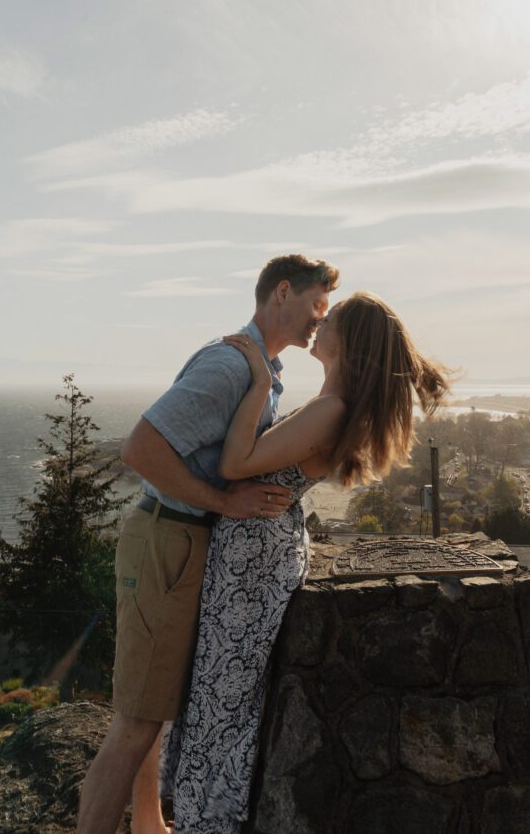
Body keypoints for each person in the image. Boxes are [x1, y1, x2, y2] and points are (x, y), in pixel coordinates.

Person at [161, 291, 451, 834]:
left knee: (224, 698)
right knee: (225, 692)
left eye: (332, 318)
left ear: (351, 342)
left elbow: (235, 462)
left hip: (254, 560)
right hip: (260, 550)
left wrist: (262, 381)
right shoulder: (333, 405)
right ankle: (204, 815)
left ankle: (208, 821)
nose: (321, 322)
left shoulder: (330, 410)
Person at [76, 253, 340, 834]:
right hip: (170, 538)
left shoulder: (263, 370)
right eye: (316, 302)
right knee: (136, 721)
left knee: (155, 708)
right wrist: (224, 503)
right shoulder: (229, 366)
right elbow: (140, 450)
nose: (321, 317)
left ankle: (149, 824)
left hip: (186, 542)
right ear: (282, 293)